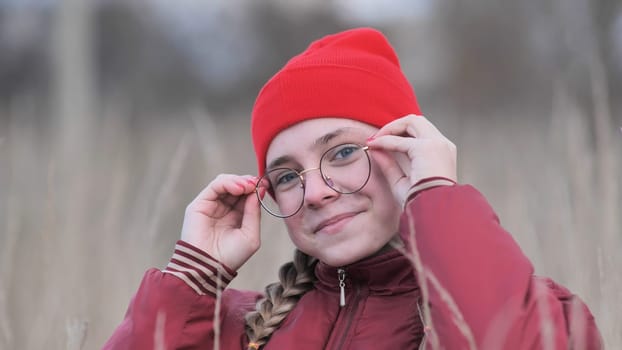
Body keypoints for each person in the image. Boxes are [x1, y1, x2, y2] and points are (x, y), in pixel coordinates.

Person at [104, 27, 602, 349]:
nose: (316, 192)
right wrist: (193, 277)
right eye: (287, 175)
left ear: (407, 150)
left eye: (341, 152)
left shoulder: (539, 313)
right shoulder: (235, 332)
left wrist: (436, 200)